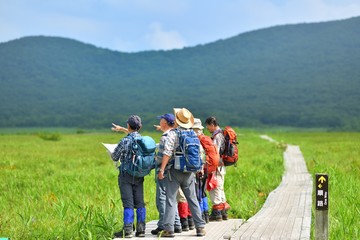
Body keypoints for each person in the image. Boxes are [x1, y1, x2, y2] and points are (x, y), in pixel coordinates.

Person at [158, 108, 206, 237]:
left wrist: (162, 169)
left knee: (170, 199)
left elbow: (167, 152)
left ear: (177, 121)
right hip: (190, 171)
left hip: (175, 170)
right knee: (192, 198)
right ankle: (200, 227)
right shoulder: (192, 134)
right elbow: (200, 153)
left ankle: (169, 229)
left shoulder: (173, 133)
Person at [111, 115, 146, 238]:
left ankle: (128, 230)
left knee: (128, 203)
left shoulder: (124, 141)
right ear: (140, 127)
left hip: (126, 175)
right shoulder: (143, 140)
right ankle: (141, 230)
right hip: (139, 175)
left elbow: (115, 157)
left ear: (128, 126)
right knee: (140, 202)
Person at [151, 113, 182, 235]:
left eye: (161, 121)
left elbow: (161, 157)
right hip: (175, 170)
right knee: (171, 198)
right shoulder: (176, 134)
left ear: (164, 123)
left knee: (162, 198)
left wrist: (153, 162)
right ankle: (177, 224)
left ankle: (163, 225)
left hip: (165, 171)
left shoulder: (165, 137)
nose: (159, 123)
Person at [205, 116, 231, 221]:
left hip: (217, 166)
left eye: (208, 126)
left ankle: (217, 213)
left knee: (214, 187)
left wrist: (210, 165)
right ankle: (223, 212)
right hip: (221, 165)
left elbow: (214, 152)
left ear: (212, 125)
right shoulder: (221, 134)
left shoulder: (217, 136)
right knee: (220, 187)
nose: (207, 128)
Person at [192, 118, 210, 223]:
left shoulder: (196, 140)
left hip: (199, 170)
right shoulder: (204, 138)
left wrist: (200, 169)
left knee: (197, 193)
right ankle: (205, 214)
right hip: (206, 169)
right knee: (203, 192)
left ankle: (201, 216)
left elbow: (199, 156)